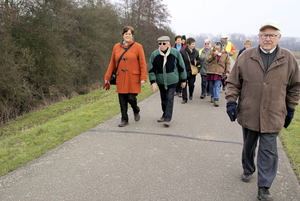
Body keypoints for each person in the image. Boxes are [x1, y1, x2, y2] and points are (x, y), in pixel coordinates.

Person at [225, 20, 300, 201]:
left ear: (278, 37)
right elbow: (234, 82)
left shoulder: (288, 58)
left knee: (268, 151)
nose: (268, 38)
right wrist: (231, 102)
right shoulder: (246, 56)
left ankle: (264, 187)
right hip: (250, 111)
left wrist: (290, 108)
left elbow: (295, 86)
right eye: (264, 35)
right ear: (259, 37)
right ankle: (248, 168)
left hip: (274, 113)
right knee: (249, 146)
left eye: (272, 35)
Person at [104, 26, 147, 127]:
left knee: (131, 97)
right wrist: (107, 77)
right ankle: (124, 119)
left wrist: (143, 77)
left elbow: (142, 63)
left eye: (130, 34)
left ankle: (136, 109)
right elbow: (112, 63)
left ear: (132, 36)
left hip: (133, 78)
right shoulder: (116, 47)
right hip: (121, 77)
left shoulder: (138, 47)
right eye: (126, 33)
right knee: (122, 99)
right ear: (123, 35)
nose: (128, 35)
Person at [148, 36, 187, 127]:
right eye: (160, 43)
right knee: (163, 99)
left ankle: (167, 118)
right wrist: (153, 82)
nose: (162, 45)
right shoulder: (155, 54)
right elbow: (151, 69)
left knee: (170, 98)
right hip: (161, 81)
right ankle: (164, 114)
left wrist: (183, 80)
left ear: (168, 44)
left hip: (172, 80)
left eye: (164, 43)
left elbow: (181, 67)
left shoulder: (175, 53)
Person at [205, 41, 230, 107]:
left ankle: (216, 99)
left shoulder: (225, 54)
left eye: (218, 48)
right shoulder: (211, 52)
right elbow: (207, 59)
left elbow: (228, 63)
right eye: (215, 48)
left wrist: (227, 71)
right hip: (211, 71)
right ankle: (212, 95)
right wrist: (214, 55)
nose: (217, 50)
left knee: (217, 86)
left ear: (221, 48)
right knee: (211, 85)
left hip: (219, 72)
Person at [180, 37, 200, 103]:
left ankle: (191, 94)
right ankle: (184, 98)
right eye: (192, 44)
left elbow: (199, 60)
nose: (193, 46)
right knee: (184, 85)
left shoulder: (196, 52)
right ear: (188, 44)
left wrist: (197, 62)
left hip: (192, 72)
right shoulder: (182, 52)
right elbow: (180, 62)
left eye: (194, 44)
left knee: (191, 85)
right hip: (184, 71)